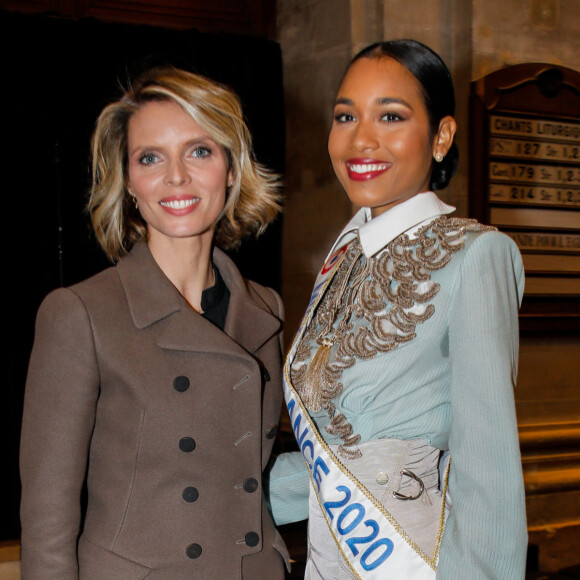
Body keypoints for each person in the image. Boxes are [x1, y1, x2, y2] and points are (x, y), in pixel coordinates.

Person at [269, 40, 527, 579]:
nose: (361, 139)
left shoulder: (474, 254)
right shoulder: (342, 259)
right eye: (346, 116)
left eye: (390, 115)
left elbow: (489, 474)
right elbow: (338, 456)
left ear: (441, 136)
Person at [20, 66, 289, 579]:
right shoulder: (81, 313)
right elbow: (47, 518)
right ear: (128, 183)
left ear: (231, 170)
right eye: (150, 158)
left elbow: (245, 474)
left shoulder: (264, 311)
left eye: (200, 151)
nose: (177, 176)